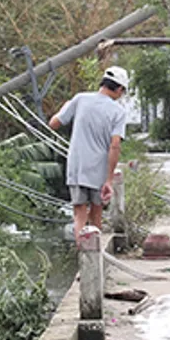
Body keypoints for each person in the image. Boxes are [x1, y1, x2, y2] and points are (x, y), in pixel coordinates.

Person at [48, 65, 130, 237]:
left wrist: (65, 108)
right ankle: (95, 257)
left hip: (76, 166)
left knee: (79, 214)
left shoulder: (80, 99)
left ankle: (81, 253)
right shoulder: (119, 112)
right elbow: (115, 145)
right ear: (120, 89)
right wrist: (108, 180)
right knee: (96, 213)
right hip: (98, 170)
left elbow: (53, 124)